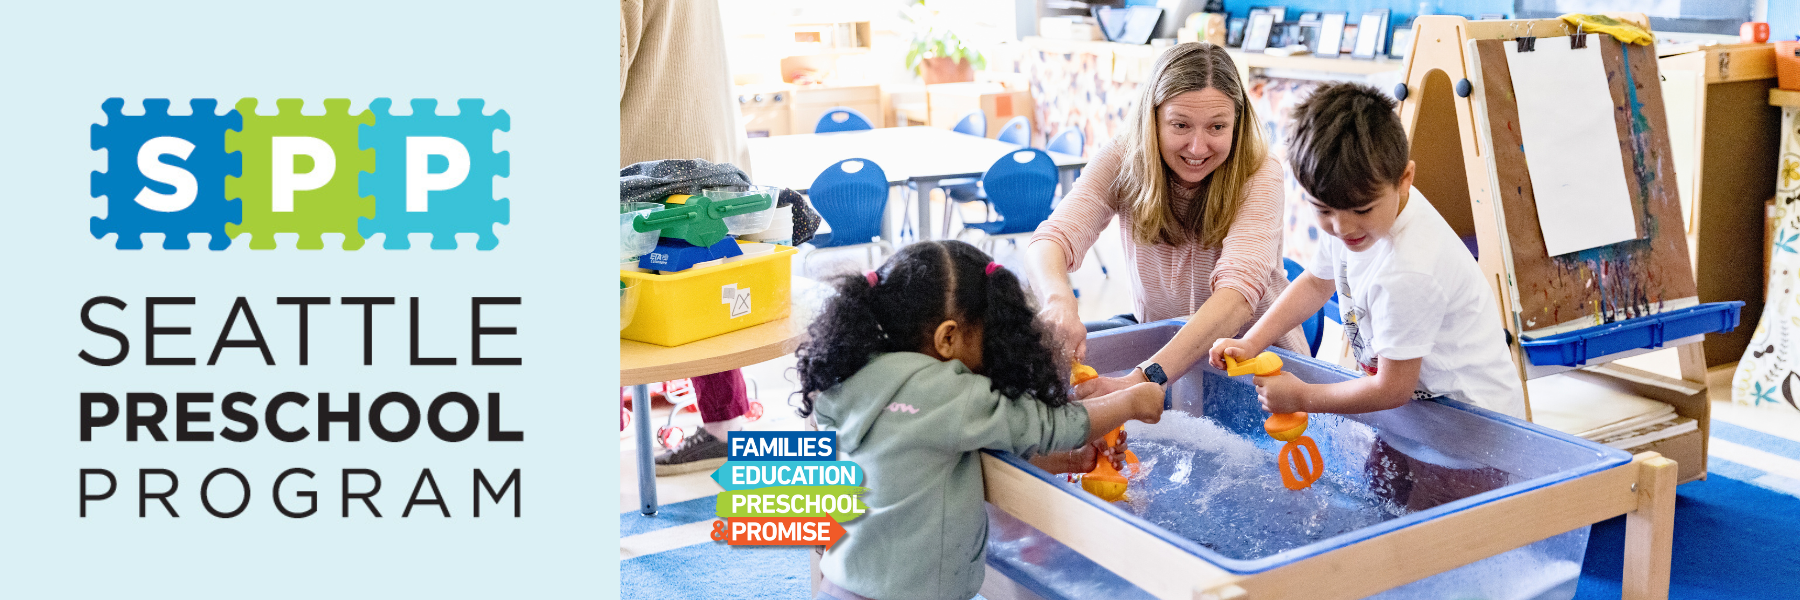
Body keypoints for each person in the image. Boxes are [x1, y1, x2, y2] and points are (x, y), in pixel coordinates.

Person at [798, 240, 1165, 600]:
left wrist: (1074, 461)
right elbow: (1054, 425)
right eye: (987, 340)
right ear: (948, 338)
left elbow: (931, 457)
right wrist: (1131, 400)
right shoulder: (947, 392)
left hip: (840, 582)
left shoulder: (851, 376)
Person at [1207, 82, 1526, 420]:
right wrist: (1251, 342)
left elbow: (1392, 388)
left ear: (1404, 180)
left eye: (1361, 211)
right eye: (1324, 211)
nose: (1343, 228)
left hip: (1475, 424)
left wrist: (1302, 396)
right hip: (1417, 410)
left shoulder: (1408, 270)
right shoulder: (1353, 202)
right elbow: (1316, 283)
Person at [1026, 42, 1305, 400]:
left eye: (1217, 127)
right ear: (1153, 119)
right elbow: (1052, 237)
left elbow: (1237, 296)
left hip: (1256, 372)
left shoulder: (1259, 173)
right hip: (1165, 357)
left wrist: (1144, 378)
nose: (1197, 147)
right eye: (1180, 125)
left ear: (1238, 123)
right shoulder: (1123, 157)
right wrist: (1058, 301)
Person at [620, 0, 755, 475]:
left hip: (646, 172)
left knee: (616, 307)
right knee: (707, 302)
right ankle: (725, 427)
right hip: (710, 155)